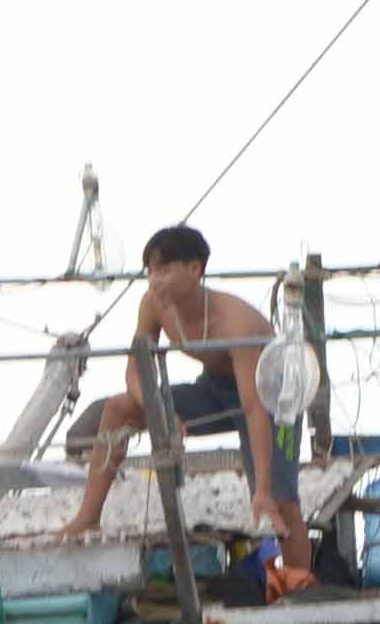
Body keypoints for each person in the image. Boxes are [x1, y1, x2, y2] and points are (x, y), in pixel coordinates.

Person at [62, 227, 312, 576]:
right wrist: (159, 412)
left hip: (271, 393)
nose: (155, 281)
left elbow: (254, 407)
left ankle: (301, 589)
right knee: (118, 409)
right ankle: (87, 518)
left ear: (195, 269)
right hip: (214, 389)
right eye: (150, 271)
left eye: (164, 270)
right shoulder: (154, 306)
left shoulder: (235, 322)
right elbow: (137, 372)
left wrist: (263, 487)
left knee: (281, 502)